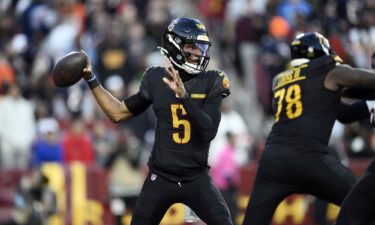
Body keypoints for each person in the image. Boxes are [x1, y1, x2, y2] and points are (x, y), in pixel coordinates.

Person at [81, 17, 233, 225]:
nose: (198, 53)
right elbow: (117, 113)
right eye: (191, 47)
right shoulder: (156, 78)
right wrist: (91, 79)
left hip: (196, 178)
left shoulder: (212, 80)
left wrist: (184, 98)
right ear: (174, 47)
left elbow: (208, 131)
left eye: (200, 48)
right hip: (161, 177)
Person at [242, 32, 375, 225]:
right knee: (365, 204)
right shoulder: (328, 70)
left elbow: (341, 113)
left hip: (272, 162)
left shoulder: (279, 80)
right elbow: (367, 80)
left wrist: (368, 107)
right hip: (310, 158)